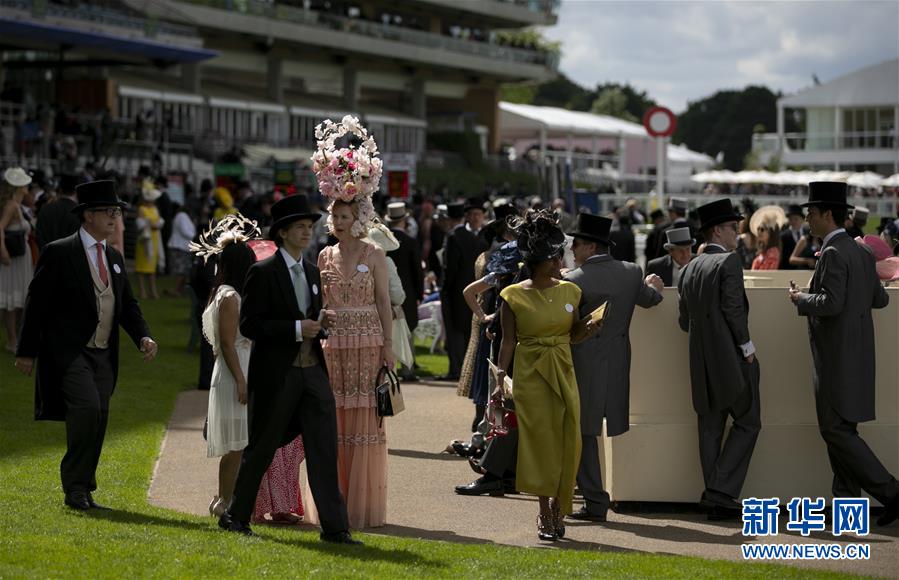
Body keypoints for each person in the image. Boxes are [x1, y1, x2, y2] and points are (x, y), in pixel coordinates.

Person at [217, 195, 357, 544]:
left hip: (312, 372)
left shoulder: (312, 272)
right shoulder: (261, 271)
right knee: (262, 447)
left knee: (324, 448)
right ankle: (236, 516)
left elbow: (310, 318)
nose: (308, 232)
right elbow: (250, 325)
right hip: (277, 375)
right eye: (300, 227)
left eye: (310, 227)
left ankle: (336, 528)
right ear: (282, 233)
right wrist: (297, 328)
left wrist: (321, 324)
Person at [14, 179, 158, 510]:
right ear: (88, 216)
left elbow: (128, 306)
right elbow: (37, 304)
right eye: (108, 212)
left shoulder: (114, 256)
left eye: (116, 212)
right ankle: (75, 487)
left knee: (100, 416)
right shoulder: (59, 252)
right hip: (70, 351)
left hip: (104, 353)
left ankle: (84, 486)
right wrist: (26, 351)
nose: (114, 218)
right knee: (86, 408)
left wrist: (143, 336)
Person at [788, 181, 899, 527]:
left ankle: (891, 492)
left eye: (811, 212)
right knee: (842, 431)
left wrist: (801, 299)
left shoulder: (834, 252)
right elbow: (880, 299)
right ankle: (846, 508)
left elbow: (831, 303)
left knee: (835, 432)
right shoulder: (860, 252)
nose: (807, 217)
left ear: (827, 215)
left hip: (835, 358)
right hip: (857, 356)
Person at [494, 209, 599, 541]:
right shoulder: (511, 296)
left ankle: (559, 503)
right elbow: (508, 342)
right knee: (540, 444)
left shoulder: (571, 292)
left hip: (564, 372)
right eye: (553, 258)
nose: (559, 262)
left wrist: (591, 327)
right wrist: (498, 380)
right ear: (537, 260)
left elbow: (574, 334)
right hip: (530, 376)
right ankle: (544, 510)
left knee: (569, 439)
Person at [565, 212, 663, 522]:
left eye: (576, 244)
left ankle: (595, 501)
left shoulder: (573, 279)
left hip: (583, 364)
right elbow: (651, 300)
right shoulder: (632, 272)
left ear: (590, 247)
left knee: (583, 432)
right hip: (618, 363)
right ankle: (594, 499)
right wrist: (653, 285)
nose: (573, 250)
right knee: (593, 431)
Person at [308, 198, 394, 529]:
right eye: (335, 215)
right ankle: (333, 502)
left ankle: (361, 505)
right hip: (334, 343)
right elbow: (319, 302)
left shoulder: (375, 254)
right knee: (333, 415)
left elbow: (384, 301)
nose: (339, 221)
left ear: (359, 219)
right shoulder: (324, 255)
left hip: (369, 342)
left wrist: (389, 345)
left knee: (365, 417)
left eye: (345, 216)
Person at [677, 198, 761, 521]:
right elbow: (734, 311)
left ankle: (715, 495)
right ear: (716, 231)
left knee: (709, 427)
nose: (737, 234)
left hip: (700, 361)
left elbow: (684, 322)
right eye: (732, 228)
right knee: (749, 420)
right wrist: (747, 346)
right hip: (732, 358)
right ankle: (719, 492)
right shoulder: (729, 262)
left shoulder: (687, 270)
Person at [198, 226, 257, 518]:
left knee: (238, 442)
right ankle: (224, 500)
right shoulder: (231, 296)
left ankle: (225, 498)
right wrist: (241, 379)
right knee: (236, 444)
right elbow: (228, 342)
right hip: (236, 369)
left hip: (230, 368)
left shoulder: (220, 292)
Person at [441, 199, 487, 380]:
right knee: (458, 331)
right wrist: (446, 290)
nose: (476, 218)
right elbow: (449, 267)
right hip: (458, 291)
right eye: (472, 214)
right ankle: (457, 369)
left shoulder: (486, 236)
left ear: (483, 217)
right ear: (466, 217)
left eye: (479, 214)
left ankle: (474, 369)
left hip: (482, 290)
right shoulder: (455, 237)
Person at [384, 202, 423, 380]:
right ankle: (408, 368)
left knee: (387, 330)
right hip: (406, 291)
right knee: (407, 330)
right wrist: (420, 294)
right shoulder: (411, 242)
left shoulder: (382, 241)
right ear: (405, 220)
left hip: (384, 291)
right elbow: (417, 271)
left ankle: (388, 367)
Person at [0, 167, 34, 353]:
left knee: (18, 299)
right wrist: (3, 250)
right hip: (13, 258)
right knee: (12, 300)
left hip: (21, 257)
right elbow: (0, 228)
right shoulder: (12, 205)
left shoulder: (16, 205)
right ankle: (12, 341)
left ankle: (17, 338)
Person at [35, 173, 81, 250]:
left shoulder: (45, 208)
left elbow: (39, 235)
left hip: (47, 256)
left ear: (60, 190)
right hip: (69, 258)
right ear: (75, 191)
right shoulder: (79, 212)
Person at [135, 183, 165, 299]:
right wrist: (152, 224)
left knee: (152, 267)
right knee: (142, 267)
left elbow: (158, 221)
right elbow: (141, 224)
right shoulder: (141, 209)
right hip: (145, 240)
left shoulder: (155, 209)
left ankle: (153, 290)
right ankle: (143, 291)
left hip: (154, 239)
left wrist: (156, 225)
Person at [165, 203, 197, 297]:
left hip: (184, 247)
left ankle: (180, 289)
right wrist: (196, 238)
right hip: (179, 247)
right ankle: (176, 289)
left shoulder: (185, 217)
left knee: (184, 270)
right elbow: (185, 231)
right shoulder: (182, 216)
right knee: (181, 270)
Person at [779, 205, 805, 270]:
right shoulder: (783, 236)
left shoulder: (809, 234)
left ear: (802, 219)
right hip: (789, 271)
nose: (793, 222)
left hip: (806, 271)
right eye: (791, 219)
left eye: (796, 219)